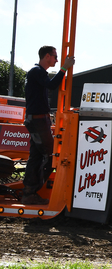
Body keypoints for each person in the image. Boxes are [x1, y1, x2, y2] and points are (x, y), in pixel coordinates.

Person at [23, 46, 75, 205]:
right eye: (55, 57)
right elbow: (53, 85)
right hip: (38, 120)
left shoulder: (36, 72)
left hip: (37, 119)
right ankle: (30, 191)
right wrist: (65, 68)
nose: (57, 60)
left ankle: (29, 192)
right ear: (47, 56)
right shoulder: (36, 72)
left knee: (37, 155)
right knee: (51, 154)